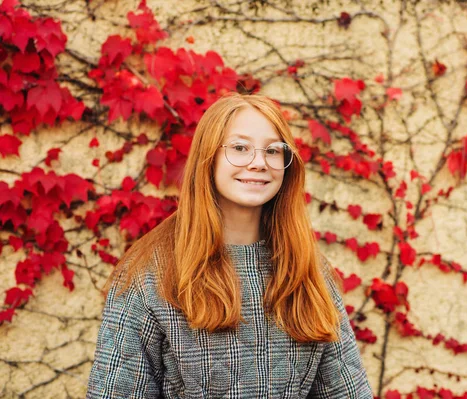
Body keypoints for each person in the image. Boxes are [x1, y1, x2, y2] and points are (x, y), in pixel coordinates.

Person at [86, 93, 373, 398]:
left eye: (273, 151)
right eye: (239, 148)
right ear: (208, 158)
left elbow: (347, 392)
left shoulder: (306, 267)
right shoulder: (150, 272)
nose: (259, 163)